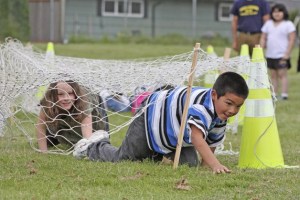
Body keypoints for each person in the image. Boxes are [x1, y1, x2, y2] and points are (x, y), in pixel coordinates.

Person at [73, 72, 249, 174]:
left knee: (189, 166)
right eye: (229, 103)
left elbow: (212, 140)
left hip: (176, 129)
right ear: (214, 95)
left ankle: (157, 154)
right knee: (125, 159)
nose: (232, 110)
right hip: (151, 114)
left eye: (238, 106)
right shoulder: (201, 107)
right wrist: (216, 165)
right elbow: (197, 138)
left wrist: (206, 166)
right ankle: (91, 147)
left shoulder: (221, 113)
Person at [36, 80, 109, 152]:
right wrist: (43, 152)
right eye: (60, 94)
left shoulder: (84, 102)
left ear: (76, 94)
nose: (66, 98)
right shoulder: (48, 103)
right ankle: (57, 136)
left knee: (99, 143)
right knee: (48, 140)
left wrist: (86, 149)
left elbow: (87, 136)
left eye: (70, 93)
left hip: (94, 107)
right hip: (60, 115)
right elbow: (41, 127)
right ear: (52, 96)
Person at [260, 3, 296, 100]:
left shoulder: (288, 24)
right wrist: (260, 49)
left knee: (282, 75)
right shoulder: (268, 24)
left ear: (284, 12)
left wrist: (287, 54)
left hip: (282, 55)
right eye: (275, 12)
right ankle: (274, 94)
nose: (277, 14)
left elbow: (292, 39)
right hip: (270, 54)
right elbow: (263, 38)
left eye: (279, 11)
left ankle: (284, 95)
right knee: (273, 75)